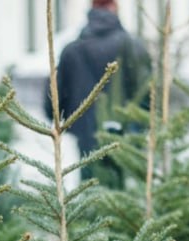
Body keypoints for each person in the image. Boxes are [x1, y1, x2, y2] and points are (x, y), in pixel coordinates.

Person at [48, 0, 150, 180]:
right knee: (124, 198)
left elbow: (53, 99)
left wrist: (74, 125)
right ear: (114, 8)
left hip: (86, 137)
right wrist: (138, 126)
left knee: (90, 190)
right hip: (126, 136)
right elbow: (147, 93)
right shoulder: (133, 47)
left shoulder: (72, 50)